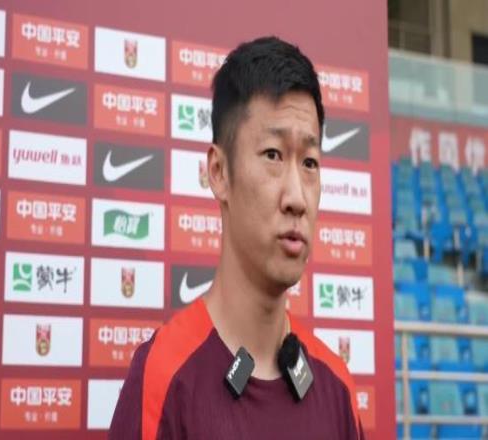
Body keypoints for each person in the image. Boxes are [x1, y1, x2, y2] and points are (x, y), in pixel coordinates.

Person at [109, 36, 364, 440]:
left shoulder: (337, 386)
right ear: (219, 172)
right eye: (273, 155)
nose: (297, 198)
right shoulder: (164, 375)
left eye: (310, 162)